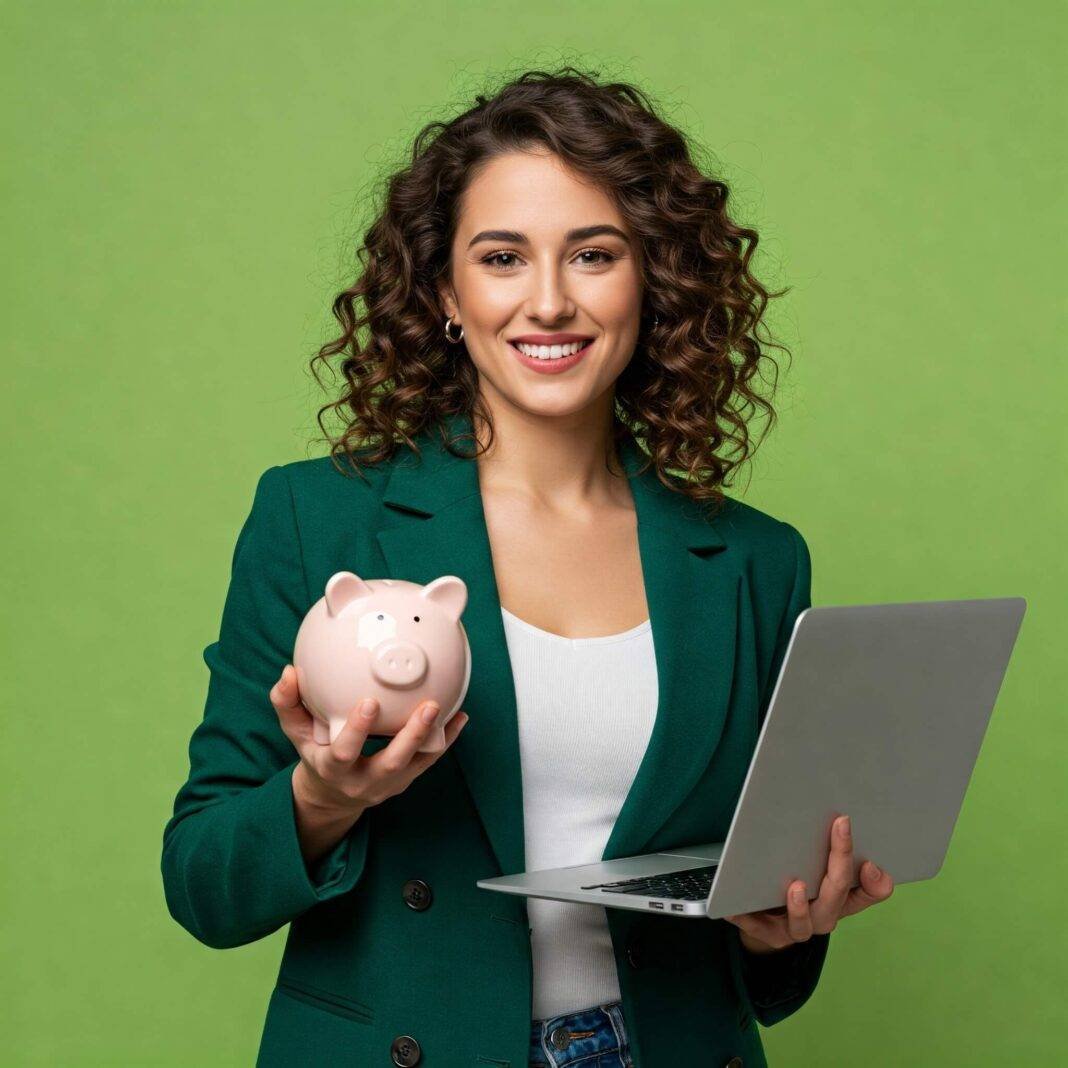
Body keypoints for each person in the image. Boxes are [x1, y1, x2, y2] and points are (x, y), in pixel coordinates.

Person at [161, 67, 894, 1068]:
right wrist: (324, 798)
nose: (548, 302)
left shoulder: (756, 562)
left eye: (593, 255)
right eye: (502, 257)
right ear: (447, 294)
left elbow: (753, 938)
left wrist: (784, 929)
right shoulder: (319, 519)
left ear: (652, 280)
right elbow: (202, 883)